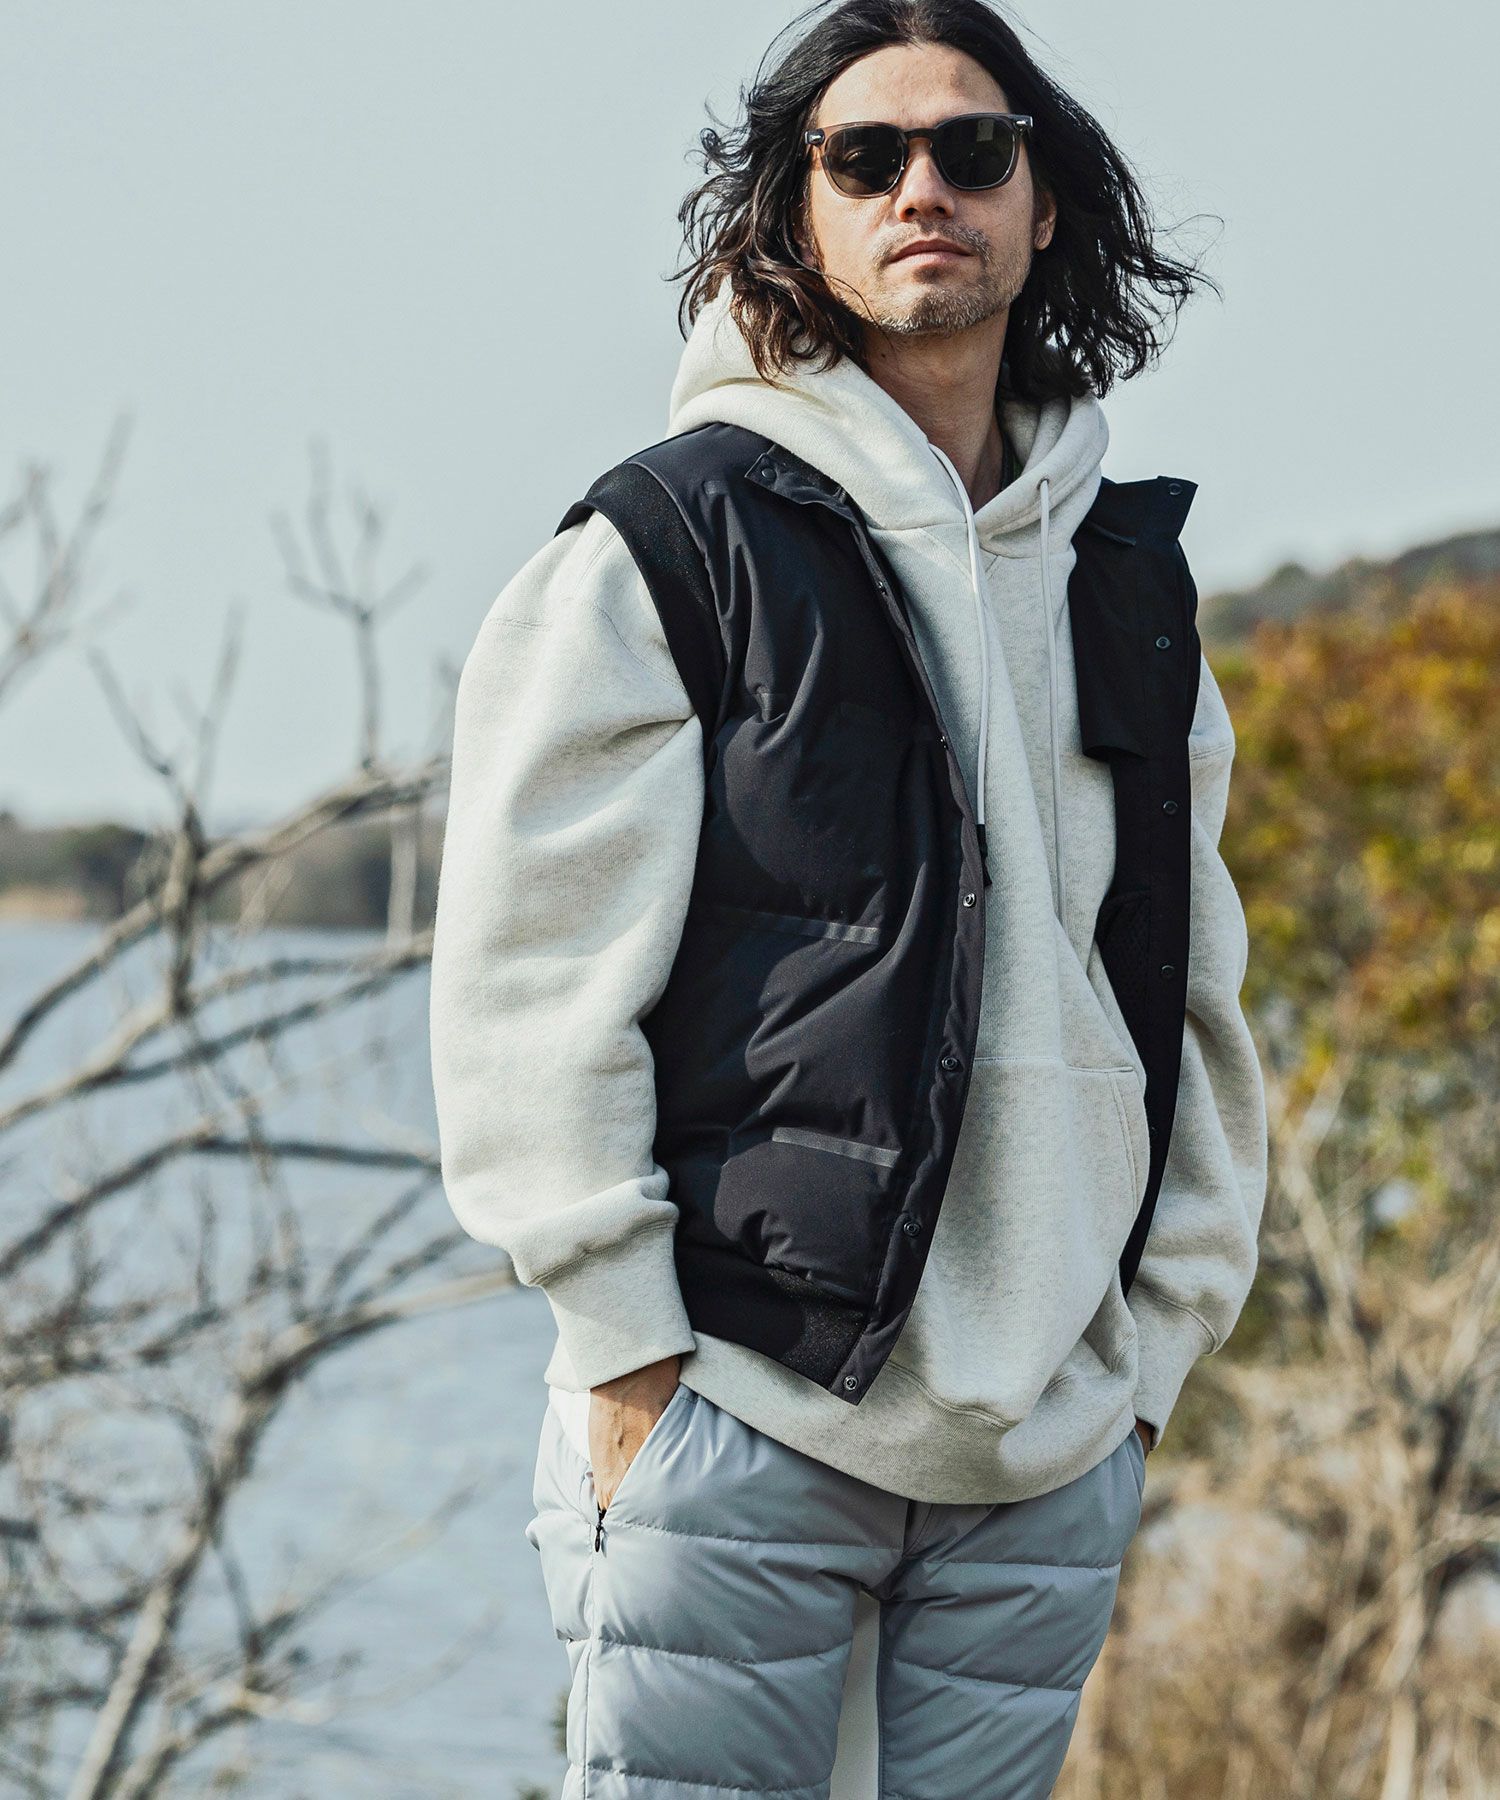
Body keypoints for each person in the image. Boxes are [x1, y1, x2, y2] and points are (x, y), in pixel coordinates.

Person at [429, 1, 1268, 1793]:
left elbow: (1195, 987)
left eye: (974, 149)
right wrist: (627, 1357)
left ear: (1045, 198)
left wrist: (1151, 1363)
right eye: (865, 157)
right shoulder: (667, 548)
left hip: (1049, 1446)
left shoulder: (1130, 581)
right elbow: (528, 984)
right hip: (739, 1410)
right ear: (794, 213)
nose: (922, 191)